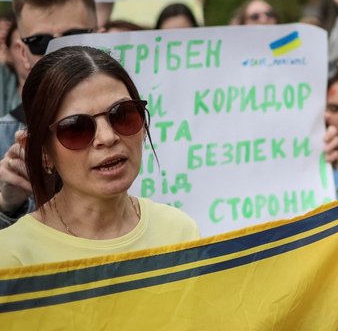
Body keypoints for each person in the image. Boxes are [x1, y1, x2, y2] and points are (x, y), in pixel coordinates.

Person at [0, 46, 199, 267]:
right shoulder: (13, 257)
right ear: (43, 151)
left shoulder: (179, 233)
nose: (107, 137)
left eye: (123, 115)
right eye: (76, 128)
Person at [0, 0, 98, 228]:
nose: (59, 51)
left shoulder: (136, 123)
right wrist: (7, 205)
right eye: (41, 42)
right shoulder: (2, 138)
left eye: (74, 37)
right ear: (23, 53)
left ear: (100, 38)